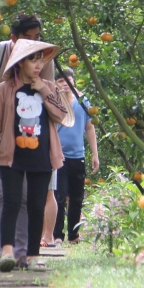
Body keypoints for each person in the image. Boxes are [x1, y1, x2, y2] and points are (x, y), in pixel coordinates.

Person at [0, 40, 69, 272]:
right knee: (10, 203)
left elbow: (62, 116)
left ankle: (32, 255)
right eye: (33, 59)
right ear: (20, 63)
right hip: (12, 156)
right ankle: (7, 252)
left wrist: (42, 88)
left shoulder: (49, 87)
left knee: (35, 206)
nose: (38, 64)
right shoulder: (4, 89)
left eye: (40, 59)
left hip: (42, 157)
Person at [0, 14, 53, 264]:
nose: (33, 44)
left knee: (30, 197)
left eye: (37, 38)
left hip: (33, 140)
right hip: (0, 136)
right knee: (5, 195)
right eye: (27, 39)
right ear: (13, 38)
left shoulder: (44, 59)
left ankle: (23, 254)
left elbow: (51, 104)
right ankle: (7, 252)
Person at [51, 67, 98, 244]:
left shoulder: (83, 101)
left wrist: (95, 154)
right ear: (56, 83)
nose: (64, 84)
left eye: (67, 80)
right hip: (58, 157)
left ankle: (73, 235)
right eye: (61, 81)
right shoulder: (54, 101)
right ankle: (57, 236)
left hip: (78, 156)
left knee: (77, 198)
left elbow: (89, 127)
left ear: (73, 82)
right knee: (59, 197)